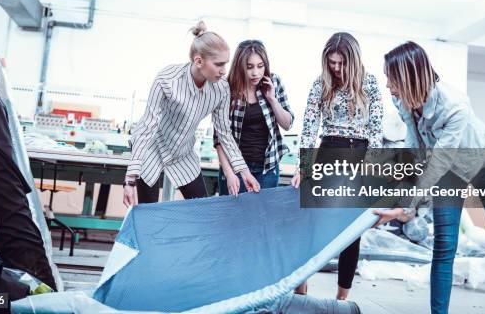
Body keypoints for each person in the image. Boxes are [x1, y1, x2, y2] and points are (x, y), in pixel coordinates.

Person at [374, 41, 485, 314]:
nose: (388, 86)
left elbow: (439, 162)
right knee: (444, 247)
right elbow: (415, 148)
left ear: (408, 78)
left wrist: (407, 207)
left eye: (391, 79)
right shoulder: (402, 100)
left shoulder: (455, 105)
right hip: (449, 172)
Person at [123, 21, 259, 206]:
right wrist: (130, 178)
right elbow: (147, 126)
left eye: (225, 64)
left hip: (183, 153)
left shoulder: (221, 88)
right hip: (151, 149)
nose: (223, 71)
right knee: (149, 214)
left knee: (201, 209)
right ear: (198, 61)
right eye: (218, 64)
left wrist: (244, 172)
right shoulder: (167, 79)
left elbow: (224, 133)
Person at [292, 32, 384, 300]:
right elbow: (309, 129)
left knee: (350, 230)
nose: (335, 68)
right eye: (331, 62)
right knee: (311, 222)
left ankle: (342, 297)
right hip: (329, 152)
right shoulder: (320, 84)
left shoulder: (370, 83)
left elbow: (377, 130)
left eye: (341, 63)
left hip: (360, 154)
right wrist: (304, 167)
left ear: (353, 61)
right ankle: (301, 285)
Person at [214, 40, 294, 196]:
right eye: (249, 67)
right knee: (232, 218)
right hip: (235, 168)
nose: (255, 73)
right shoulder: (226, 89)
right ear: (239, 66)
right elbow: (219, 138)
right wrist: (229, 173)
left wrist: (272, 99)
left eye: (260, 66)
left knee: (262, 218)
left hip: (267, 167)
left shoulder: (274, 82)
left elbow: (287, 124)